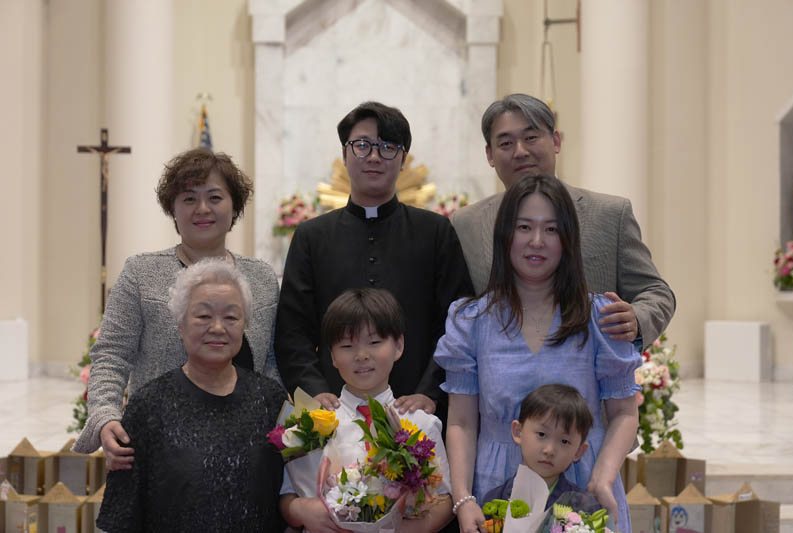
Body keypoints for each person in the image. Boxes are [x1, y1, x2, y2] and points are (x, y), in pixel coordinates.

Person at [436, 174, 641, 533]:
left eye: (551, 229)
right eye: (524, 227)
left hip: (582, 485)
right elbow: (462, 423)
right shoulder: (471, 321)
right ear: (505, 235)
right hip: (496, 488)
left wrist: (603, 478)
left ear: (568, 239)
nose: (536, 241)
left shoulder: (598, 317)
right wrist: (464, 497)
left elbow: (624, 413)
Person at [73, 148, 280, 466]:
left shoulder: (262, 277)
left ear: (235, 205)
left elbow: (272, 363)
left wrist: (282, 428)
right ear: (173, 208)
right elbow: (112, 355)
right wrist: (105, 415)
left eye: (214, 197)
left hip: (247, 447)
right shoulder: (141, 274)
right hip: (160, 447)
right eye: (189, 198)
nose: (202, 209)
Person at [275, 101, 473, 417]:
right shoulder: (312, 236)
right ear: (344, 155)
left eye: (388, 147)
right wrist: (315, 392)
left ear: (404, 159)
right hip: (333, 411)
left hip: (418, 410)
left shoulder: (435, 232)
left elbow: (456, 322)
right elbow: (292, 332)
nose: (374, 157)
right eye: (362, 145)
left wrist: (429, 393)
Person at [451, 93, 675, 350]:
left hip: (589, 369)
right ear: (490, 155)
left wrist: (636, 319)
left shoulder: (610, 214)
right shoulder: (465, 224)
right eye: (506, 143)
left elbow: (655, 291)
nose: (520, 151)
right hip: (497, 370)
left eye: (531, 138)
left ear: (556, 141)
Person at [96, 259, 286, 531]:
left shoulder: (270, 400)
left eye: (231, 317)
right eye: (203, 316)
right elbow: (121, 516)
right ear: (180, 325)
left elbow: (288, 494)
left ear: (244, 326)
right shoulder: (148, 406)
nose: (218, 328)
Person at [279, 288, 453, 533]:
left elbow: (445, 499)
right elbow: (287, 495)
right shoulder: (312, 423)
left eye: (374, 342)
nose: (361, 355)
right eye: (347, 345)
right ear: (332, 355)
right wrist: (300, 510)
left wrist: (409, 529)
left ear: (398, 345)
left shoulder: (421, 422)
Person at [482, 384, 600, 512]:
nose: (549, 450)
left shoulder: (584, 509)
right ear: (518, 432)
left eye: (564, 441)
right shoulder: (494, 502)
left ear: (578, 451)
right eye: (542, 434)